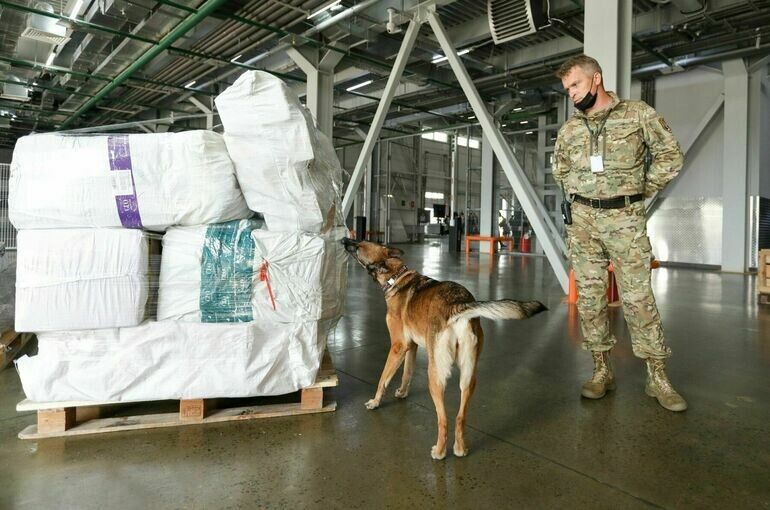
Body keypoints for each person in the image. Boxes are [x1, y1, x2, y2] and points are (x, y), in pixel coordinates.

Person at [553, 54, 687, 412]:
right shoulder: (570, 129)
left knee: (638, 298)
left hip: (625, 220)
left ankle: (657, 376)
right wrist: (581, 197)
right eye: (567, 88)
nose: (571, 93)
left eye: (575, 84)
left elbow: (670, 155)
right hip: (583, 222)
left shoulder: (637, 114)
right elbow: (559, 169)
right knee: (590, 300)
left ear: (596, 78)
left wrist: (642, 188)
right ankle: (601, 371)